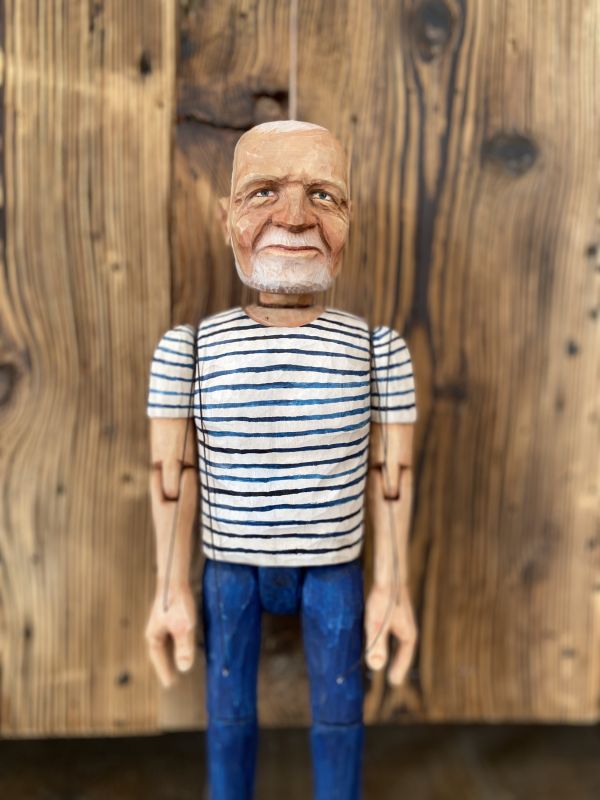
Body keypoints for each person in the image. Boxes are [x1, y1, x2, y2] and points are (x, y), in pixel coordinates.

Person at [145, 120, 418, 800]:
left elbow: (392, 477)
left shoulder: (380, 352)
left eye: (324, 195)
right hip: (230, 568)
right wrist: (170, 587)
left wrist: (393, 585)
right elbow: (172, 476)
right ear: (225, 218)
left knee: (340, 712)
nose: (294, 218)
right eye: (263, 192)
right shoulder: (189, 351)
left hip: (334, 568)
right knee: (227, 714)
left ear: (350, 218)